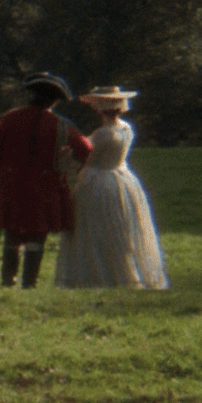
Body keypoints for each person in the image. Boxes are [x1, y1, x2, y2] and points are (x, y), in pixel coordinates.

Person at [0, 71, 92, 289]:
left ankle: (8, 281)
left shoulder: (10, 117)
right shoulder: (61, 124)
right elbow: (86, 148)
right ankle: (29, 283)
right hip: (45, 186)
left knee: (12, 234)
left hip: (12, 184)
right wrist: (69, 161)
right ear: (54, 100)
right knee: (36, 235)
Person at [55, 86, 169, 289]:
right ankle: (124, 272)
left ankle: (99, 275)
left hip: (98, 181)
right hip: (123, 179)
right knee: (121, 227)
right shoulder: (126, 128)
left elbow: (84, 155)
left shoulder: (102, 134)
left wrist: (64, 158)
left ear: (100, 108)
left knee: (95, 227)